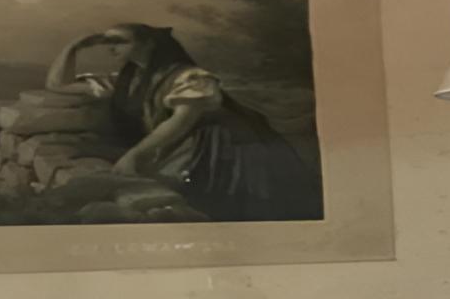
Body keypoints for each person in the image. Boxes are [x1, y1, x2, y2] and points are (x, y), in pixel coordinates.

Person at [42, 23, 321, 222]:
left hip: (219, 147)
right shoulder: (126, 80)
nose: (111, 47)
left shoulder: (190, 76)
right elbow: (56, 84)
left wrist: (134, 155)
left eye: (120, 41)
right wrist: (74, 47)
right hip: (176, 144)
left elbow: (181, 122)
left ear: (148, 44)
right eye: (107, 42)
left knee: (227, 206)